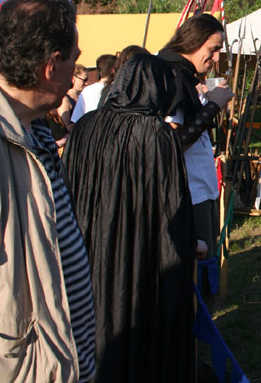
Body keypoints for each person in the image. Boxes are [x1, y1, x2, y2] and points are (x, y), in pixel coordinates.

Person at [63, 53, 195, 382]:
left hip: (87, 255)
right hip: (139, 262)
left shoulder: (84, 127)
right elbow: (172, 209)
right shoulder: (156, 135)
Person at [0, 0, 96, 382]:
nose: (76, 73)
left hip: (58, 358)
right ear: (51, 66)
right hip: (21, 366)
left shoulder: (34, 127)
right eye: (73, 59)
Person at [158, 13, 233, 265]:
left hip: (199, 190)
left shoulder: (183, 76)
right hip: (188, 194)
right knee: (197, 275)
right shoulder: (174, 76)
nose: (215, 58)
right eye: (212, 50)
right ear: (193, 41)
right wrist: (213, 106)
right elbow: (172, 143)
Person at [70, 53, 115, 123]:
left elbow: (76, 120)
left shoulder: (87, 91)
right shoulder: (116, 89)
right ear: (113, 70)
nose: (86, 83)